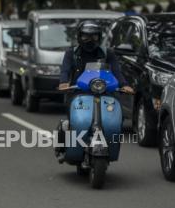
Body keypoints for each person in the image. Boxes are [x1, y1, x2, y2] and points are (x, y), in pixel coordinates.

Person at [55, 20, 134, 161]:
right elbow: (65, 71)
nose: (90, 40)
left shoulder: (107, 53)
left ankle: (111, 141)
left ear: (99, 37)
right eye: (85, 36)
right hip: (78, 92)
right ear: (79, 37)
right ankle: (65, 145)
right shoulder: (71, 54)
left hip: (104, 92)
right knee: (72, 120)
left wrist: (124, 84)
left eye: (94, 37)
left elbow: (117, 71)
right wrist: (63, 83)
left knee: (118, 115)